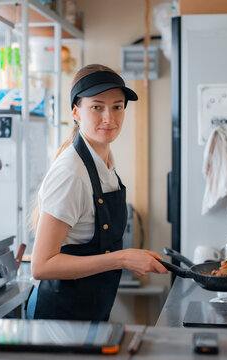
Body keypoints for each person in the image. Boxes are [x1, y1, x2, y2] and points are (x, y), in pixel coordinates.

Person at [26, 64, 167, 321]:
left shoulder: (104, 161)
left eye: (117, 106)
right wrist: (122, 258)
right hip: (58, 320)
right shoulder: (71, 173)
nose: (109, 118)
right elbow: (42, 266)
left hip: (88, 312)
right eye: (97, 107)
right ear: (75, 112)